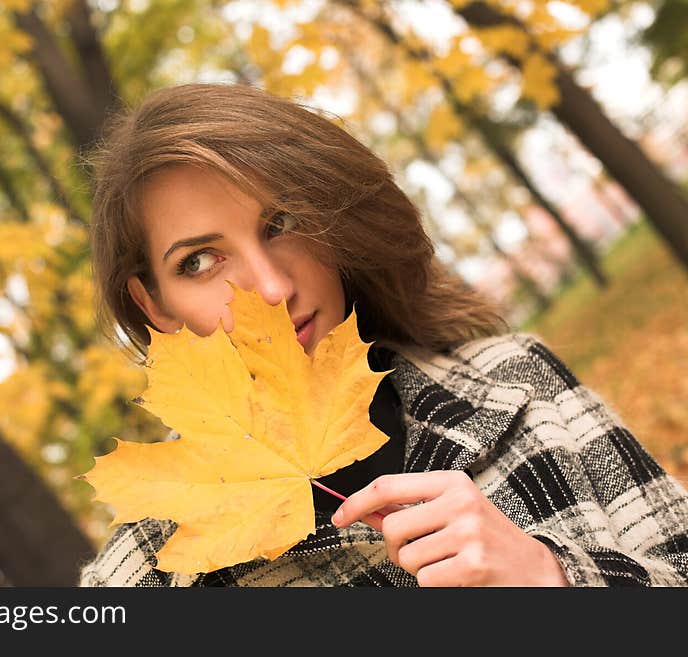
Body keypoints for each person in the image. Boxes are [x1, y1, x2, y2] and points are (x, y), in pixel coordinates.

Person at [78, 82, 688, 587]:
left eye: (281, 222)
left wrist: (554, 580)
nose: (270, 288)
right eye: (201, 262)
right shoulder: (149, 578)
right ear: (153, 305)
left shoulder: (515, 377)